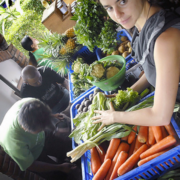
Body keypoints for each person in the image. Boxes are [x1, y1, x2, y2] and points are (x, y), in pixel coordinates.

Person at [92, 0, 180, 130]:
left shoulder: (164, 40)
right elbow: (159, 70)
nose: (118, 14)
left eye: (122, 1)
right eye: (109, 8)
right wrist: (131, 92)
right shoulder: (141, 23)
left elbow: (161, 116)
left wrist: (114, 117)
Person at [0, 98, 81, 180]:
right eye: (40, 129)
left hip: (42, 138)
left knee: (67, 147)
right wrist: (60, 167)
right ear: (25, 129)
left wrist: (51, 115)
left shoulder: (31, 103)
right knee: (59, 176)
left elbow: (43, 112)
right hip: (33, 155)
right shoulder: (14, 143)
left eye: (43, 127)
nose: (43, 129)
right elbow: (31, 165)